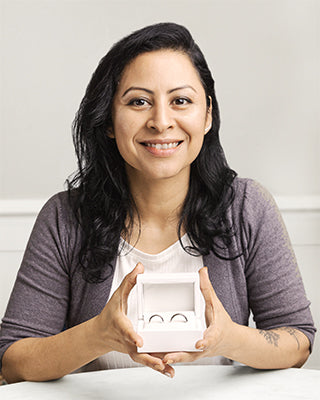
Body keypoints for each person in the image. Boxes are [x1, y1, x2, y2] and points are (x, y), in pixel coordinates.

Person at [0, 22, 315, 383]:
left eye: (181, 101)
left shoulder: (247, 207)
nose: (161, 122)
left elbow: (298, 341)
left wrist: (230, 339)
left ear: (207, 114)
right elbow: (12, 359)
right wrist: (96, 335)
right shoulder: (64, 217)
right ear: (108, 119)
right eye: (138, 102)